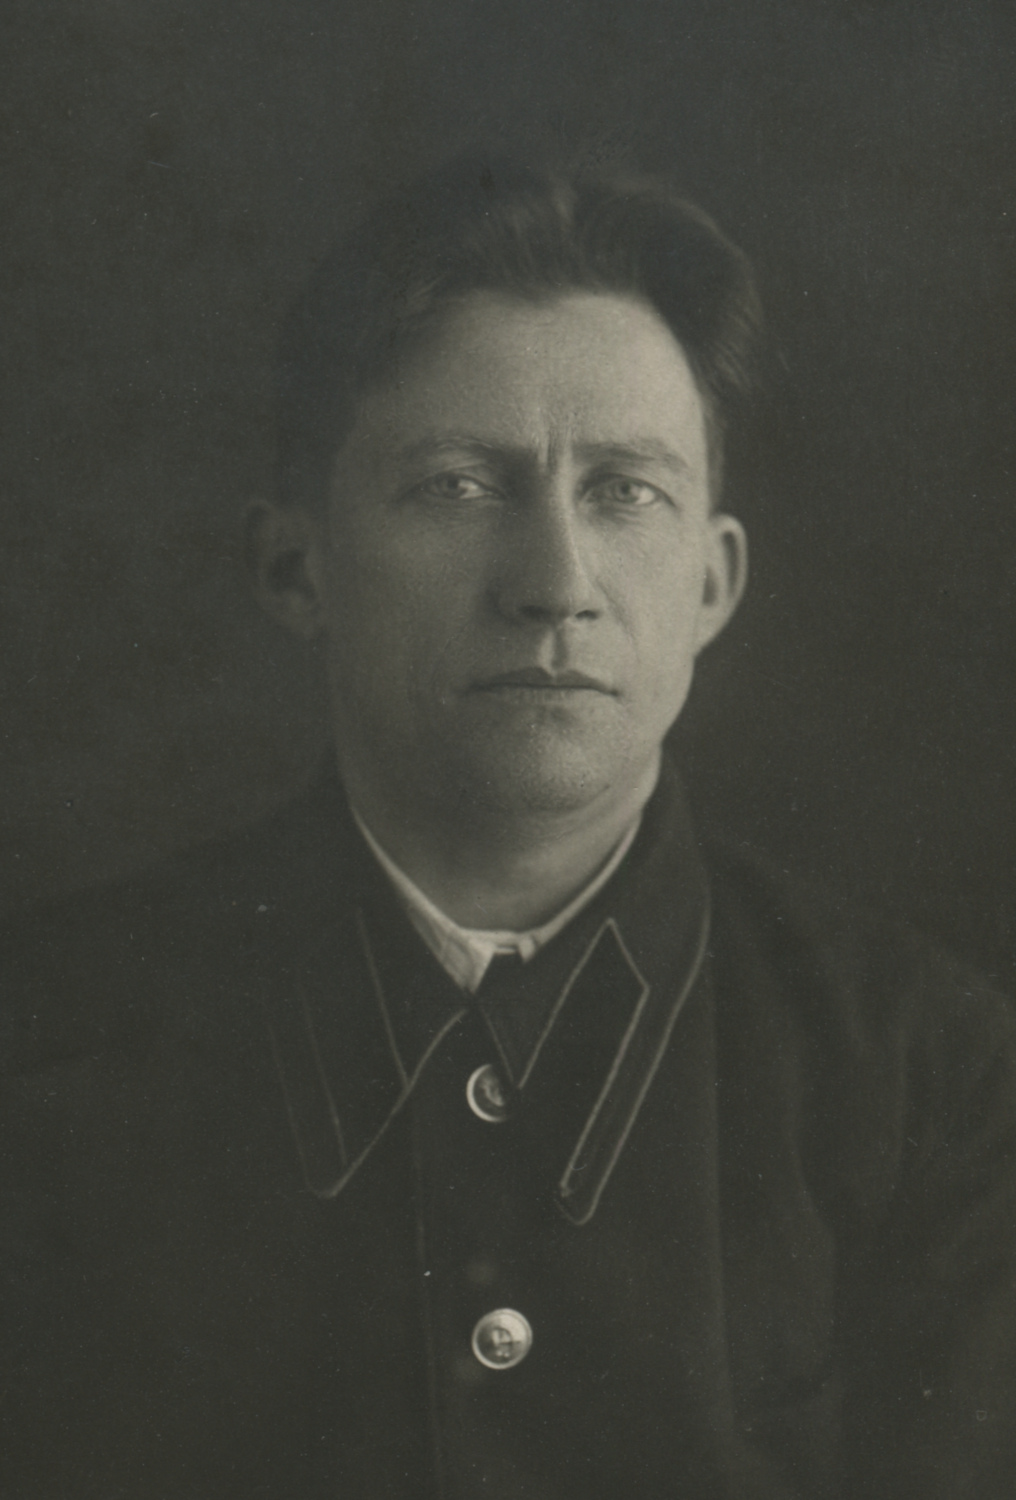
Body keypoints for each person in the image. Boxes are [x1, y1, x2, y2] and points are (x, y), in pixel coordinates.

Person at [2, 154, 1015, 1500]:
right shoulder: (45, 1043)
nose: (553, 586)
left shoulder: (935, 1084)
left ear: (712, 587)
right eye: (459, 486)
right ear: (296, 568)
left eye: (625, 491)